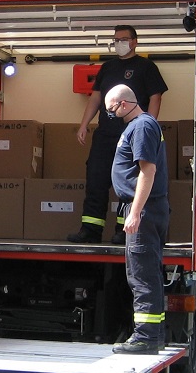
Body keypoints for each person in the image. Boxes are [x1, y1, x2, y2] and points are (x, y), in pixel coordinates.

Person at [67, 25, 168, 245]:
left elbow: (155, 97)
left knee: (128, 182)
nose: (118, 43)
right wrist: (84, 124)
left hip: (131, 135)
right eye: (115, 40)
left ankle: (125, 231)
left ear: (134, 41)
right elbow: (95, 98)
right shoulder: (108, 67)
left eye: (123, 39)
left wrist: (147, 125)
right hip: (105, 135)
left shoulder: (146, 67)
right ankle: (90, 230)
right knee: (96, 179)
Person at [105, 84, 170, 354]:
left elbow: (147, 171)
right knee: (146, 273)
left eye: (111, 110)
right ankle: (154, 336)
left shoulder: (142, 126)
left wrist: (134, 212)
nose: (111, 115)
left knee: (141, 276)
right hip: (144, 209)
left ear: (123, 104)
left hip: (143, 210)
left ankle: (145, 337)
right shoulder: (141, 125)